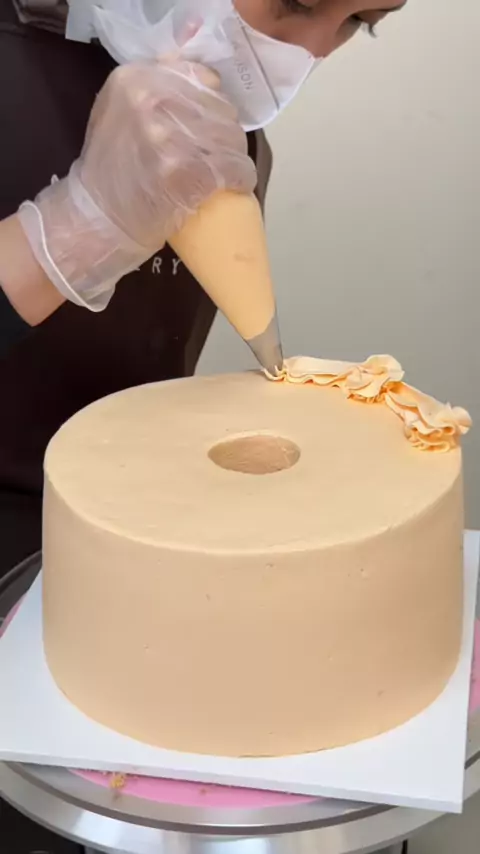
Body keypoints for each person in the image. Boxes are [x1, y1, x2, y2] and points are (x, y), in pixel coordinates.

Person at [0, 2, 408, 848]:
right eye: (299, 0)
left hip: (119, 613)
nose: (307, 56)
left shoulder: (219, 137)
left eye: (359, 22)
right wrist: (61, 238)